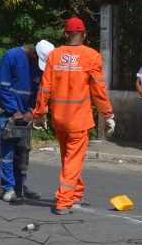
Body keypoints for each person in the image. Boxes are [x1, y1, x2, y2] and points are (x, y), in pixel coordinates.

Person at [34, 17, 115, 215]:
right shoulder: (91, 56)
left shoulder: (55, 56)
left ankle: (76, 194)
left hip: (59, 119)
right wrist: (108, 114)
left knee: (69, 159)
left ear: (66, 34)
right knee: (73, 160)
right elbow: (99, 90)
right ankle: (63, 200)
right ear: (84, 35)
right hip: (78, 120)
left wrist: (40, 113)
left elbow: (45, 88)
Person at [0, 39, 55, 203]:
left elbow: (38, 91)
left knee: (22, 152)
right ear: (33, 53)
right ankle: (8, 188)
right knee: (6, 151)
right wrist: (14, 110)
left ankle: (20, 187)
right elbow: (2, 86)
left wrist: (31, 111)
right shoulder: (11, 56)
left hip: (24, 115)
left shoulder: (38, 66)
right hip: (6, 113)